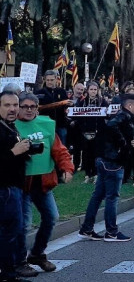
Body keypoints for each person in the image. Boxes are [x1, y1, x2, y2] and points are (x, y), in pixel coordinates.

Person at [13, 93, 74, 276]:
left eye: (33, 106)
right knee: (24, 225)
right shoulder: (10, 126)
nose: (29, 110)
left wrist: (67, 168)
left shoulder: (46, 124)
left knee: (52, 217)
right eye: (25, 106)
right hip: (21, 183)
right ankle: (20, 261)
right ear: (18, 107)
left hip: (44, 182)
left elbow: (59, 150)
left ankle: (37, 254)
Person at [78, 94, 134, 243]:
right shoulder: (122, 117)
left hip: (105, 159)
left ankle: (87, 228)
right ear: (130, 105)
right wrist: (124, 144)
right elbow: (112, 127)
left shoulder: (122, 117)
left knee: (98, 195)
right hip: (112, 161)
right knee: (112, 197)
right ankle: (111, 231)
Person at [0, 90, 32, 282]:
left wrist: (26, 150)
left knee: (11, 233)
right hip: (5, 189)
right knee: (9, 234)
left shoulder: (10, 126)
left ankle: (8, 273)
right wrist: (14, 152)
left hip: (14, 187)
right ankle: (8, 275)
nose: (12, 109)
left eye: (15, 105)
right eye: (7, 105)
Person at [72, 82, 109, 183]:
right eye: (91, 89)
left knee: (97, 154)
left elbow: (108, 115)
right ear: (87, 90)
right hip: (85, 133)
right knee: (87, 154)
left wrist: (107, 113)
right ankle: (88, 175)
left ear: (97, 91)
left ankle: (96, 174)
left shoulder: (102, 102)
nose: (93, 91)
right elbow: (76, 115)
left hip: (98, 132)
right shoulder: (82, 102)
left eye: (95, 90)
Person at [35, 70, 73, 146]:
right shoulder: (39, 93)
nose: (50, 82)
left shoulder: (62, 91)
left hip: (60, 124)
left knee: (61, 147)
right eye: (48, 80)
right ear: (45, 80)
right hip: (45, 125)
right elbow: (37, 107)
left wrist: (70, 105)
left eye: (52, 80)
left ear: (56, 79)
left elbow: (66, 107)